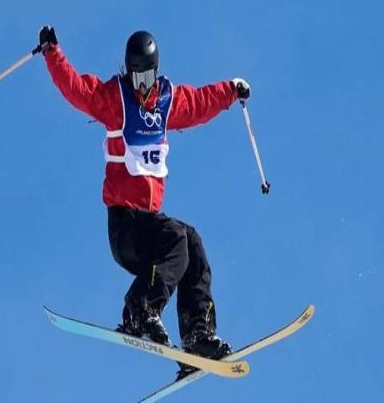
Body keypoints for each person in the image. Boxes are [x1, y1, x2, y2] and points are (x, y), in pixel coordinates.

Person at [39, 26, 250, 375]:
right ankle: (140, 308)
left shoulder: (166, 102)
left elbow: (198, 103)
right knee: (176, 238)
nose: (143, 85)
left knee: (191, 240)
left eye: (148, 77)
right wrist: (52, 52)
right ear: (129, 73)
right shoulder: (116, 100)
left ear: (156, 71)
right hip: (125, 228)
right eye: (137, 78)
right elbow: (77, 89)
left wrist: (230, 90)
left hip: (148, 229)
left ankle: (198, 334)